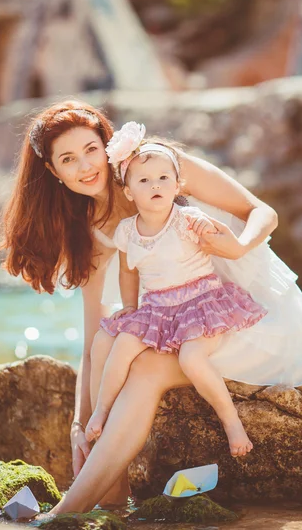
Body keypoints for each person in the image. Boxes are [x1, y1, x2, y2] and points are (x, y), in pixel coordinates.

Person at [0, 99, 302, 514]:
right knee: (110, 342)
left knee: (145, 367)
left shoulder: (161, 167)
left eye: (91, 149)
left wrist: (237, 246)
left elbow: (260, 210)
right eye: (68, 159)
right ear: (53, 172)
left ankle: (64, 516)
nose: (86, 166)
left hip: (249, 316)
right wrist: (77, 424)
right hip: (187, 327)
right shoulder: (94, 232)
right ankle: (110, 502)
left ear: (109, 146)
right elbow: (90, 344)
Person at [84, 123, 268, 457]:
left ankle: (231, 422)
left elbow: (223, 236)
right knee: (122, 344)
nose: (155, 185)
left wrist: (211, 229)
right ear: (129, 192)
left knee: (191, 357)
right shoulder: (127, 231)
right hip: (158, 308)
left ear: (177, 184)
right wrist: (129, 305)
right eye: (143, 180)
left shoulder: (188, 218)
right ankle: (102, 410)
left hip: (202, 303)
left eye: (163, 178)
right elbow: (128, 271)